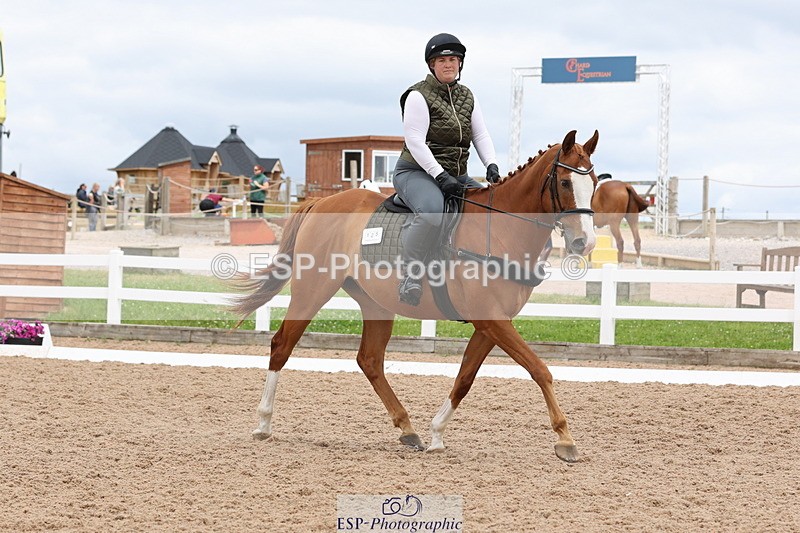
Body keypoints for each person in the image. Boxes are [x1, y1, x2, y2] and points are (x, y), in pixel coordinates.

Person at [392, 33, 501, 306]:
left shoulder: (466, 95)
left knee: (493, 208)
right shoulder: (418, 95)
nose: (448, 64)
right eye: (442, 60)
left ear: (460, 63)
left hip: (455, 174)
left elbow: (481, 134)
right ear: (432, 64)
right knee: (431, 213)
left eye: (453, 59)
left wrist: (491, 165)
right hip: (416, 171)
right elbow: (415, 142)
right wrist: (439, 175)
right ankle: (411, 276)